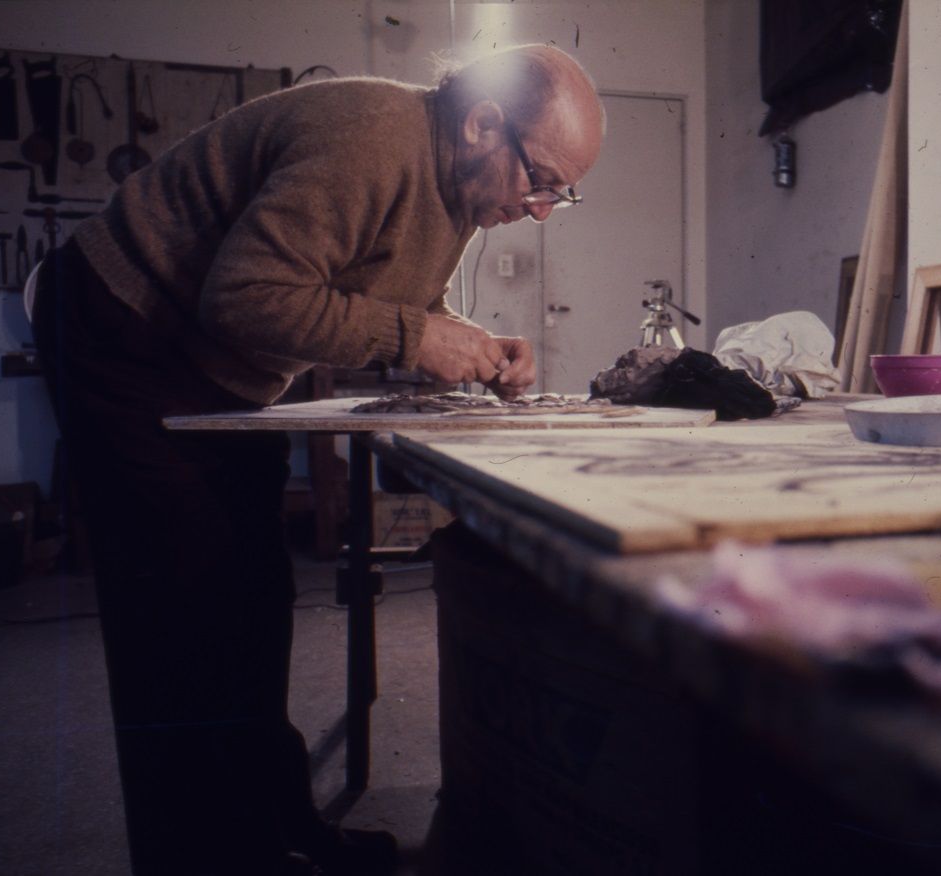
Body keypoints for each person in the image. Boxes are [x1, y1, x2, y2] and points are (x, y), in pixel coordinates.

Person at [30, 44, 604, 876]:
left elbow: (388, 290)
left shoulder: (456, 185)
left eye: (562, 192)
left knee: (253, 594)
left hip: (210, 355)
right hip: (122, 324)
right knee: (175, 613)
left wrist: (468, 342)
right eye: (542, 179)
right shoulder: (372, 139)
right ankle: (198, 858)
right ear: (483, 123)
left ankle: (273, 828)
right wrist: (418, 338)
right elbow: (247, 294)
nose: (545, 207)